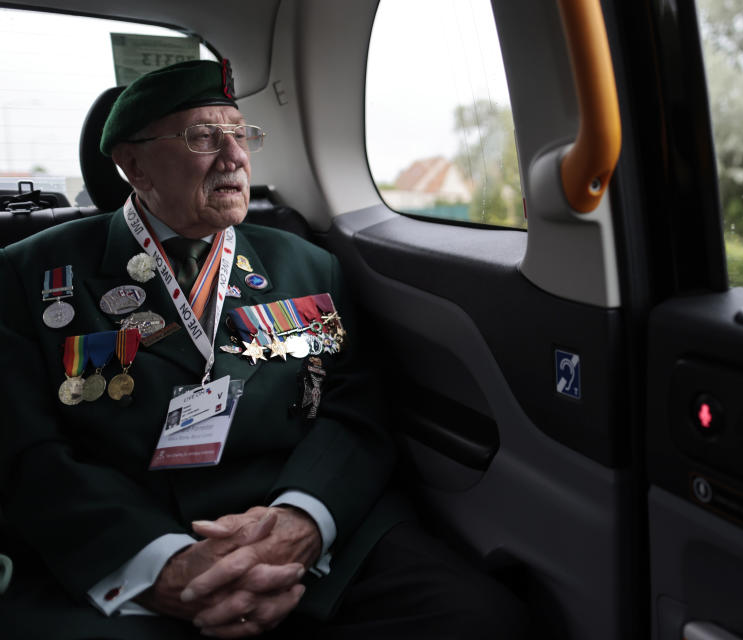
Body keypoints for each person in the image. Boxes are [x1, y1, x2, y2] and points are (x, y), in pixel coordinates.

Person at [0, 60, 527, 639]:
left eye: (241, 134)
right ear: (134, 164)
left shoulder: (306, 264)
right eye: (203, 137)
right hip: (130, 540)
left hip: (302, 529)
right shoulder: (30, 276)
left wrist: (305, 518)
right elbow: (27, 453)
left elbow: (355, 408)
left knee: (479, 619)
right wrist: (160, 562)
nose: (235, 158)